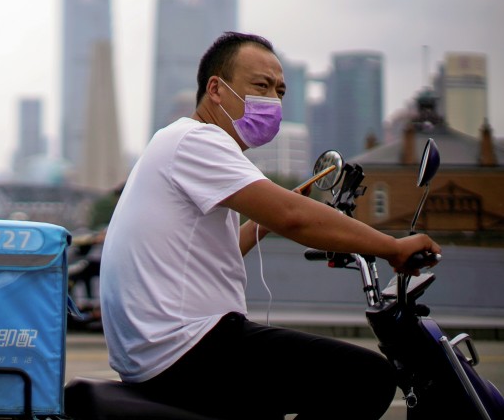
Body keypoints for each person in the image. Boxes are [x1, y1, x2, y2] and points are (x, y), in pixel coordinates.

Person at [99, 32, 441, 420]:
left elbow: (224, 246)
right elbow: (292, 216)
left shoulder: (180, 143)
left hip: (160, 350)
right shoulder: (197, 140)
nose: (273, 101)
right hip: (187, 347)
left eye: (279, 91)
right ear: (216, 88)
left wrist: (263, 222)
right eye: (260, 87)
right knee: (367, 377)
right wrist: (392, 247)